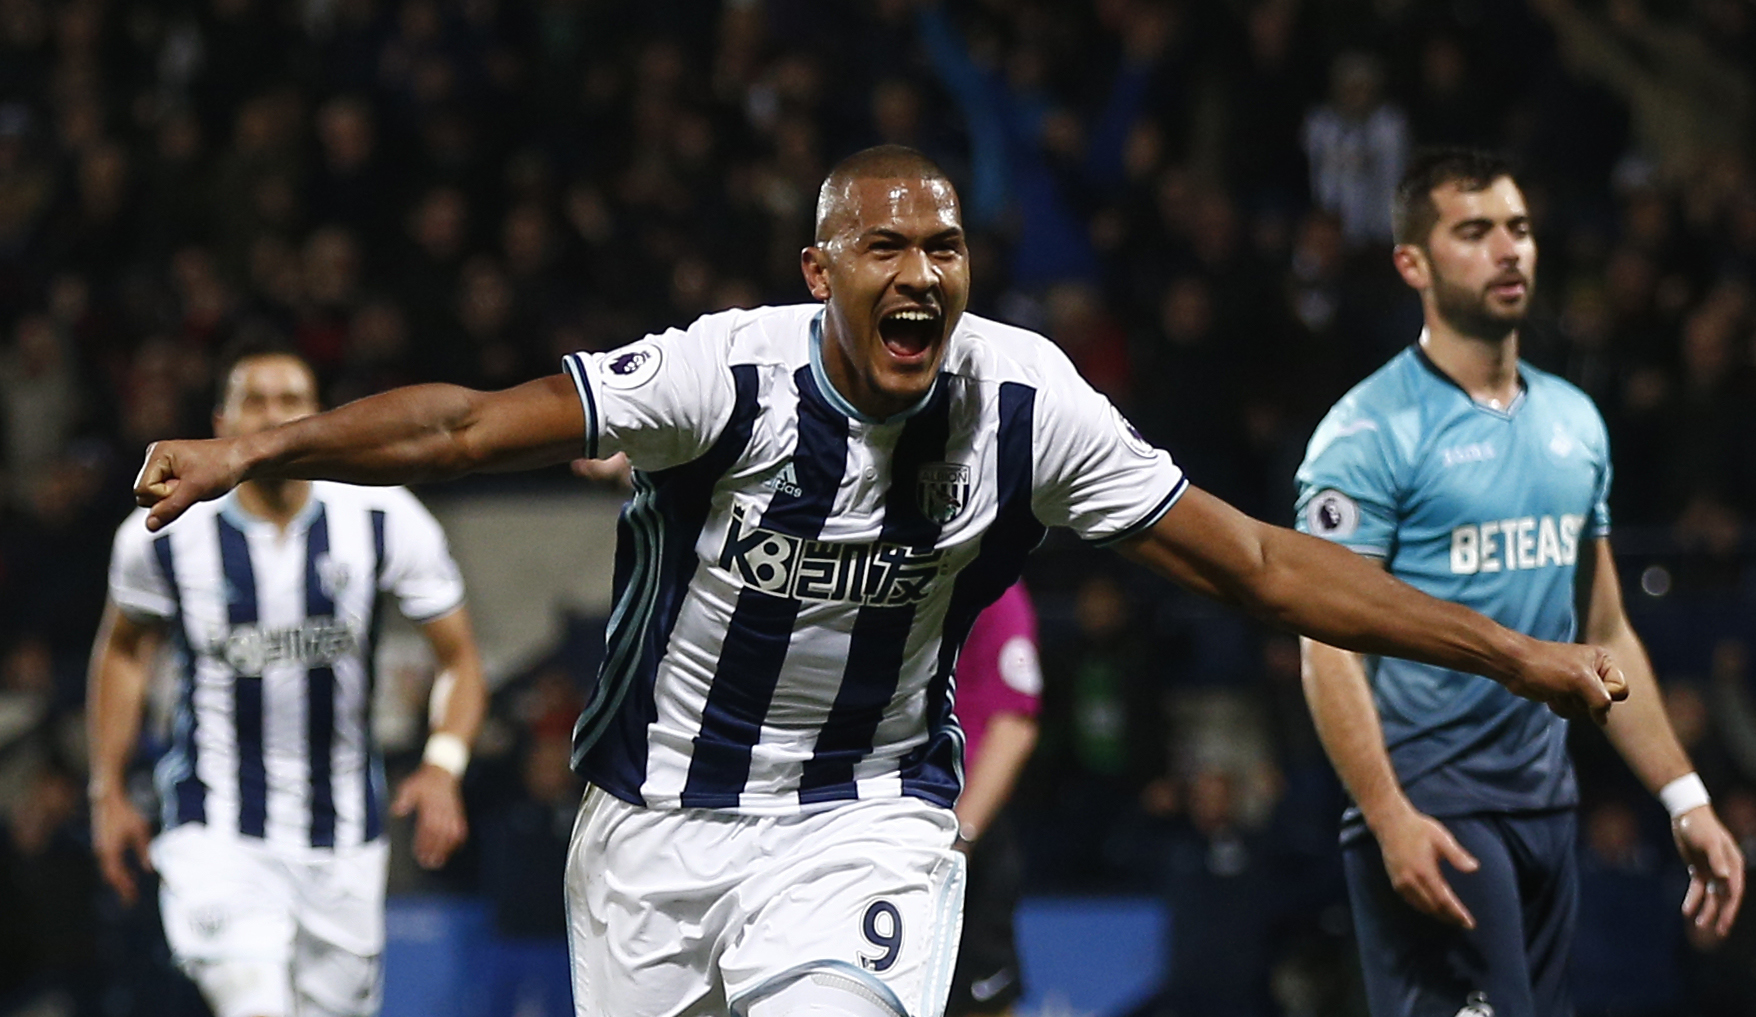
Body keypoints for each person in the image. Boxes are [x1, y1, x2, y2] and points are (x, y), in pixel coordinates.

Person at [129, 146, 1628, 1017]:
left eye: (949, 245)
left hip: (863, 823)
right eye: (887, 247)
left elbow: (1257, 562)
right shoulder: (725, 373)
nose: (923, 272)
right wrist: (266, 447)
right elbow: (464, 424)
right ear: (819, 270)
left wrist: (1511, 650)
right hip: (646, 831)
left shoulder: (1027, 401)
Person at [1294, 147, 1745, 1017]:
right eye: (1475, 232)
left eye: (1520, 228)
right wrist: (1388, 814)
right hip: (1434, 807)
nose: (1509, 250)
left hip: (1545, 807)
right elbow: (1326, 645)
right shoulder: (1366, 433)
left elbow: (1606, 630)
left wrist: (1685, 797)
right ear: (1412, 264)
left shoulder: (1574, 421)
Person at [89, 346, 486, 1017]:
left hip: (345, 835)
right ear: (222, 419)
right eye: (255, 399)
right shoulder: (162, 530)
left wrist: (444, 764)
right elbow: (123, 653)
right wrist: (107, 788)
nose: (272, 414)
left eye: (290, 400)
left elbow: (460, 659)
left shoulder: (385, 516)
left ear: (318, 418)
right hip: (214, 824)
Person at [945, 580, 1040, 1017]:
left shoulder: (995, 589)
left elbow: (1015, 726)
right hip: (883, 818)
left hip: (964, 835)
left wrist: (961, 839)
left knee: (981, 1000)